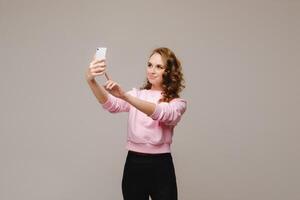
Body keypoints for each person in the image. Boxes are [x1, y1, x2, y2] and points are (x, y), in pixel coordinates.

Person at [85, 47, 187, 200]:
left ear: (170, 72)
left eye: (159, 67)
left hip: (161, 165)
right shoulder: (137, 94)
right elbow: (111, 104)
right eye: (149, 65)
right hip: (134, 163)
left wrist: (125, 96)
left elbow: (163, 113)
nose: (151, 70)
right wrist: (91, 80)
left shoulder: (177, 102)